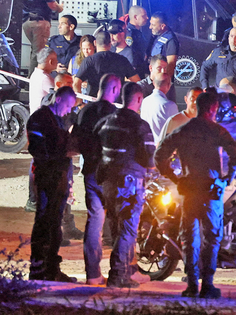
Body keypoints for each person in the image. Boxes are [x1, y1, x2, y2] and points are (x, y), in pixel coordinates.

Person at [155, 92, 236, 298]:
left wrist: (175, 177)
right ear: (212, 108)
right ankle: (208, 284)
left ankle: (192, 284)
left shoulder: (183, 130)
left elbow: (160, 155)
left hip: (188, 190)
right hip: (211, 190)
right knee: (212, 237)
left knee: (189, 237)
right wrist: (228, 177)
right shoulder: (217, 130)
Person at [95, 82, 155, 288]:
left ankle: (128, 271)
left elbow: (93, 148)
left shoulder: (106, 122)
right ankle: (118, 274)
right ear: (138, 99)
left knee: (116, 226)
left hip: (107, 182)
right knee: (128, 228)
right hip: (129, 182)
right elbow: (149, 159)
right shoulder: (140, 125)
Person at [72, 73, 122, 285]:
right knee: (121, 222)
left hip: (90, 171)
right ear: (113, 89)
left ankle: (92, 274)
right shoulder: (114, 114)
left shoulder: (85, 112)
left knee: (95, 220)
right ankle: (120, 272)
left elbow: (76, 140)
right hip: (110, 176)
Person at [27, 86, 78, 282]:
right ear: (58, 100)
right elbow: (40, 150)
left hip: (57, 179)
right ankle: (39, 268)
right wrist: (62, 152)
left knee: (55, 223)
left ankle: (50, 268)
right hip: (47, 178)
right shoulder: (40, 119)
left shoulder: (56, 120)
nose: (69, 111)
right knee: (44, 222)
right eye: (68, 105)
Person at [22, 0, 63, 66]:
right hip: (40, 23)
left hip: (25, 22)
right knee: (39, 54)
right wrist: (60, 8)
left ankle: (30, 79)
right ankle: (33, 81)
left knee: (34, 51)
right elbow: (53, 5)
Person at [73, 30, 140, 97]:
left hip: (95, 103)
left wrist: (80, 102)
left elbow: (76, 83)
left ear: (95, 43)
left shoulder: (89, 60)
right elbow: (137, 81)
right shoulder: (122, 59)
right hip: (116, 103)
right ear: (110, 44)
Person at [141, 75, 179, 143]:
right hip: (163, 148)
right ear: (169, 85)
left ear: (154, 83)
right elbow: (176, 129)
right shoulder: (170, 105)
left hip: (147, 145)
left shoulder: (144, 101)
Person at [125, 5, 152, 78]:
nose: (147, 18)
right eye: (143, 16)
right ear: (135, 17)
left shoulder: (138, 32)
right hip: (134, 71)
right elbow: (130, 52)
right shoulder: (130, 34)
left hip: (140, 69)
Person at [29, 48, 58, 113]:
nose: (57, 62)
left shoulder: (35, 74)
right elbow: (58, 96)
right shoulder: (45, 78)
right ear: (51, 62)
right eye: (56, 59)